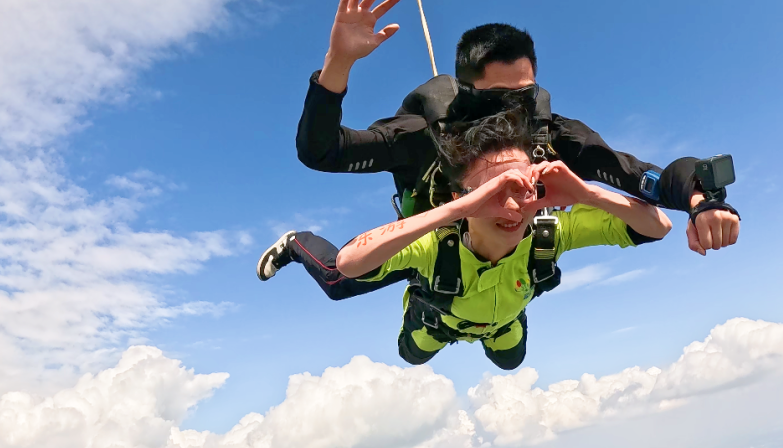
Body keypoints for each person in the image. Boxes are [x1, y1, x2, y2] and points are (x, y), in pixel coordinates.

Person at [280, 0, 739, 296]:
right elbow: (323, 152)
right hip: (434, 237)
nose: (513, 112)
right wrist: (338, 62)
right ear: (465, 91)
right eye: (499, 98)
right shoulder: (423, 135)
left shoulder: (552, 135)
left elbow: (642, 176)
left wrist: (702, 200)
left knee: (509, 346)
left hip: (510, 241)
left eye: (524, 95)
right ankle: (295, 243)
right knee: (340, 281)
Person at [260, 109, 672, 368]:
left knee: (511, 360)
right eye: (493, 194)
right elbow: (350, 262)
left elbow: (658, 227)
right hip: (437, 322)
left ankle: (499, 324)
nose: (512, 209)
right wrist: (457, 209)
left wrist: (586, 193)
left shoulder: (550, 232)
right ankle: (298, 243)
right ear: (466, 197)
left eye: (522, 190)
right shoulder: (437, 245)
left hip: (502, 323)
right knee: (407, 350)